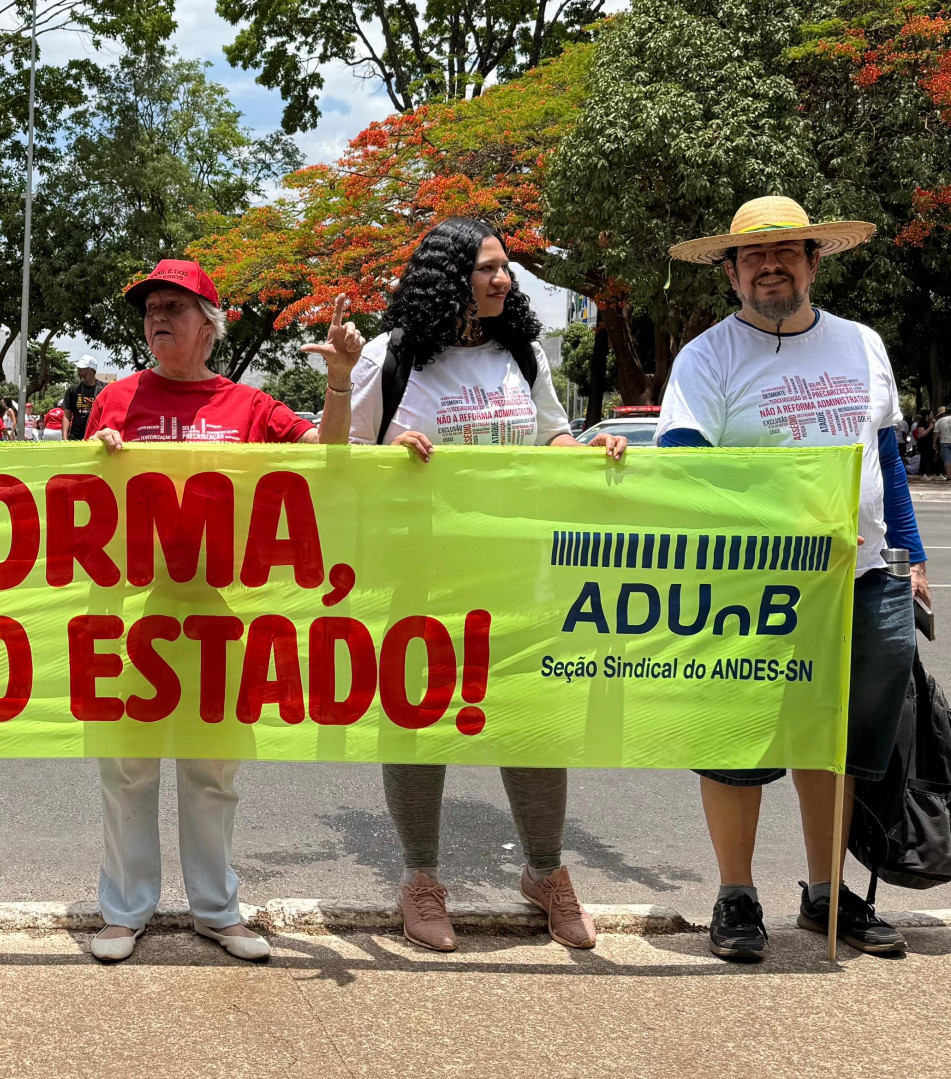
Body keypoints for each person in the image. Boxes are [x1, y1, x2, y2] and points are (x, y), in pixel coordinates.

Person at [316, 217, 628, 953]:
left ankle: (545, 873)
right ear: (448, 277)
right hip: (418, 578)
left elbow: (550, 436)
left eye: (505, 267)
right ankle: (420, 879)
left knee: (531, 723)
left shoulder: (520, 352)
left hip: (518, 577)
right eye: (487, 267)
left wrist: (591, 450)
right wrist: (389, 449)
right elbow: (336, 456)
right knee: (417, 721)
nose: (503, 279)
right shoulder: (391, 356)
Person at [658, 195, 926, 960]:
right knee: (734, 738)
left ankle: (824, 893)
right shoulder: (706, 357)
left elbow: (885, 460)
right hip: (749, 587)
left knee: (838, 741)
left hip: (863, 579)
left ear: (813, 262)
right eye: (752, 256)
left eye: (785, 252)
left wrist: (912, 557)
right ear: (730, 273)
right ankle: (734, 896)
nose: (768, 266)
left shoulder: (862, 344)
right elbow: (682, 465)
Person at [83, 258, 316, 964]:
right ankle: (124, 911)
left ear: (209, 326)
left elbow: (333, 460)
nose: (157, 318)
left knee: (212, 769)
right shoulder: (115, 399)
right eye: (150, 308)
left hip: (222, 614)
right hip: (133, 613)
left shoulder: (250, 408)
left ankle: (217, 910)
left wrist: (340, 385)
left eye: (174, 307)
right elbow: (77, 498)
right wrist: (94, 458)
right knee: (128, 767)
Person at [60, 359, 101, 440]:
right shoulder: (73, 389)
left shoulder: (104, 389)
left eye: (81, 370)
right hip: (76, 437)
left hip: (96, 437)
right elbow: (67, 416)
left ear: (91, 370)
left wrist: (95, 406)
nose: (78, 373)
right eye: (78, 369)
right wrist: (64, 439)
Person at [931, 406, 951, 479]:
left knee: (947, 460)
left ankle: (949, 476)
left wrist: (934, 443)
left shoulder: (939, 421)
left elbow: (935, 432)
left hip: (943, 441)